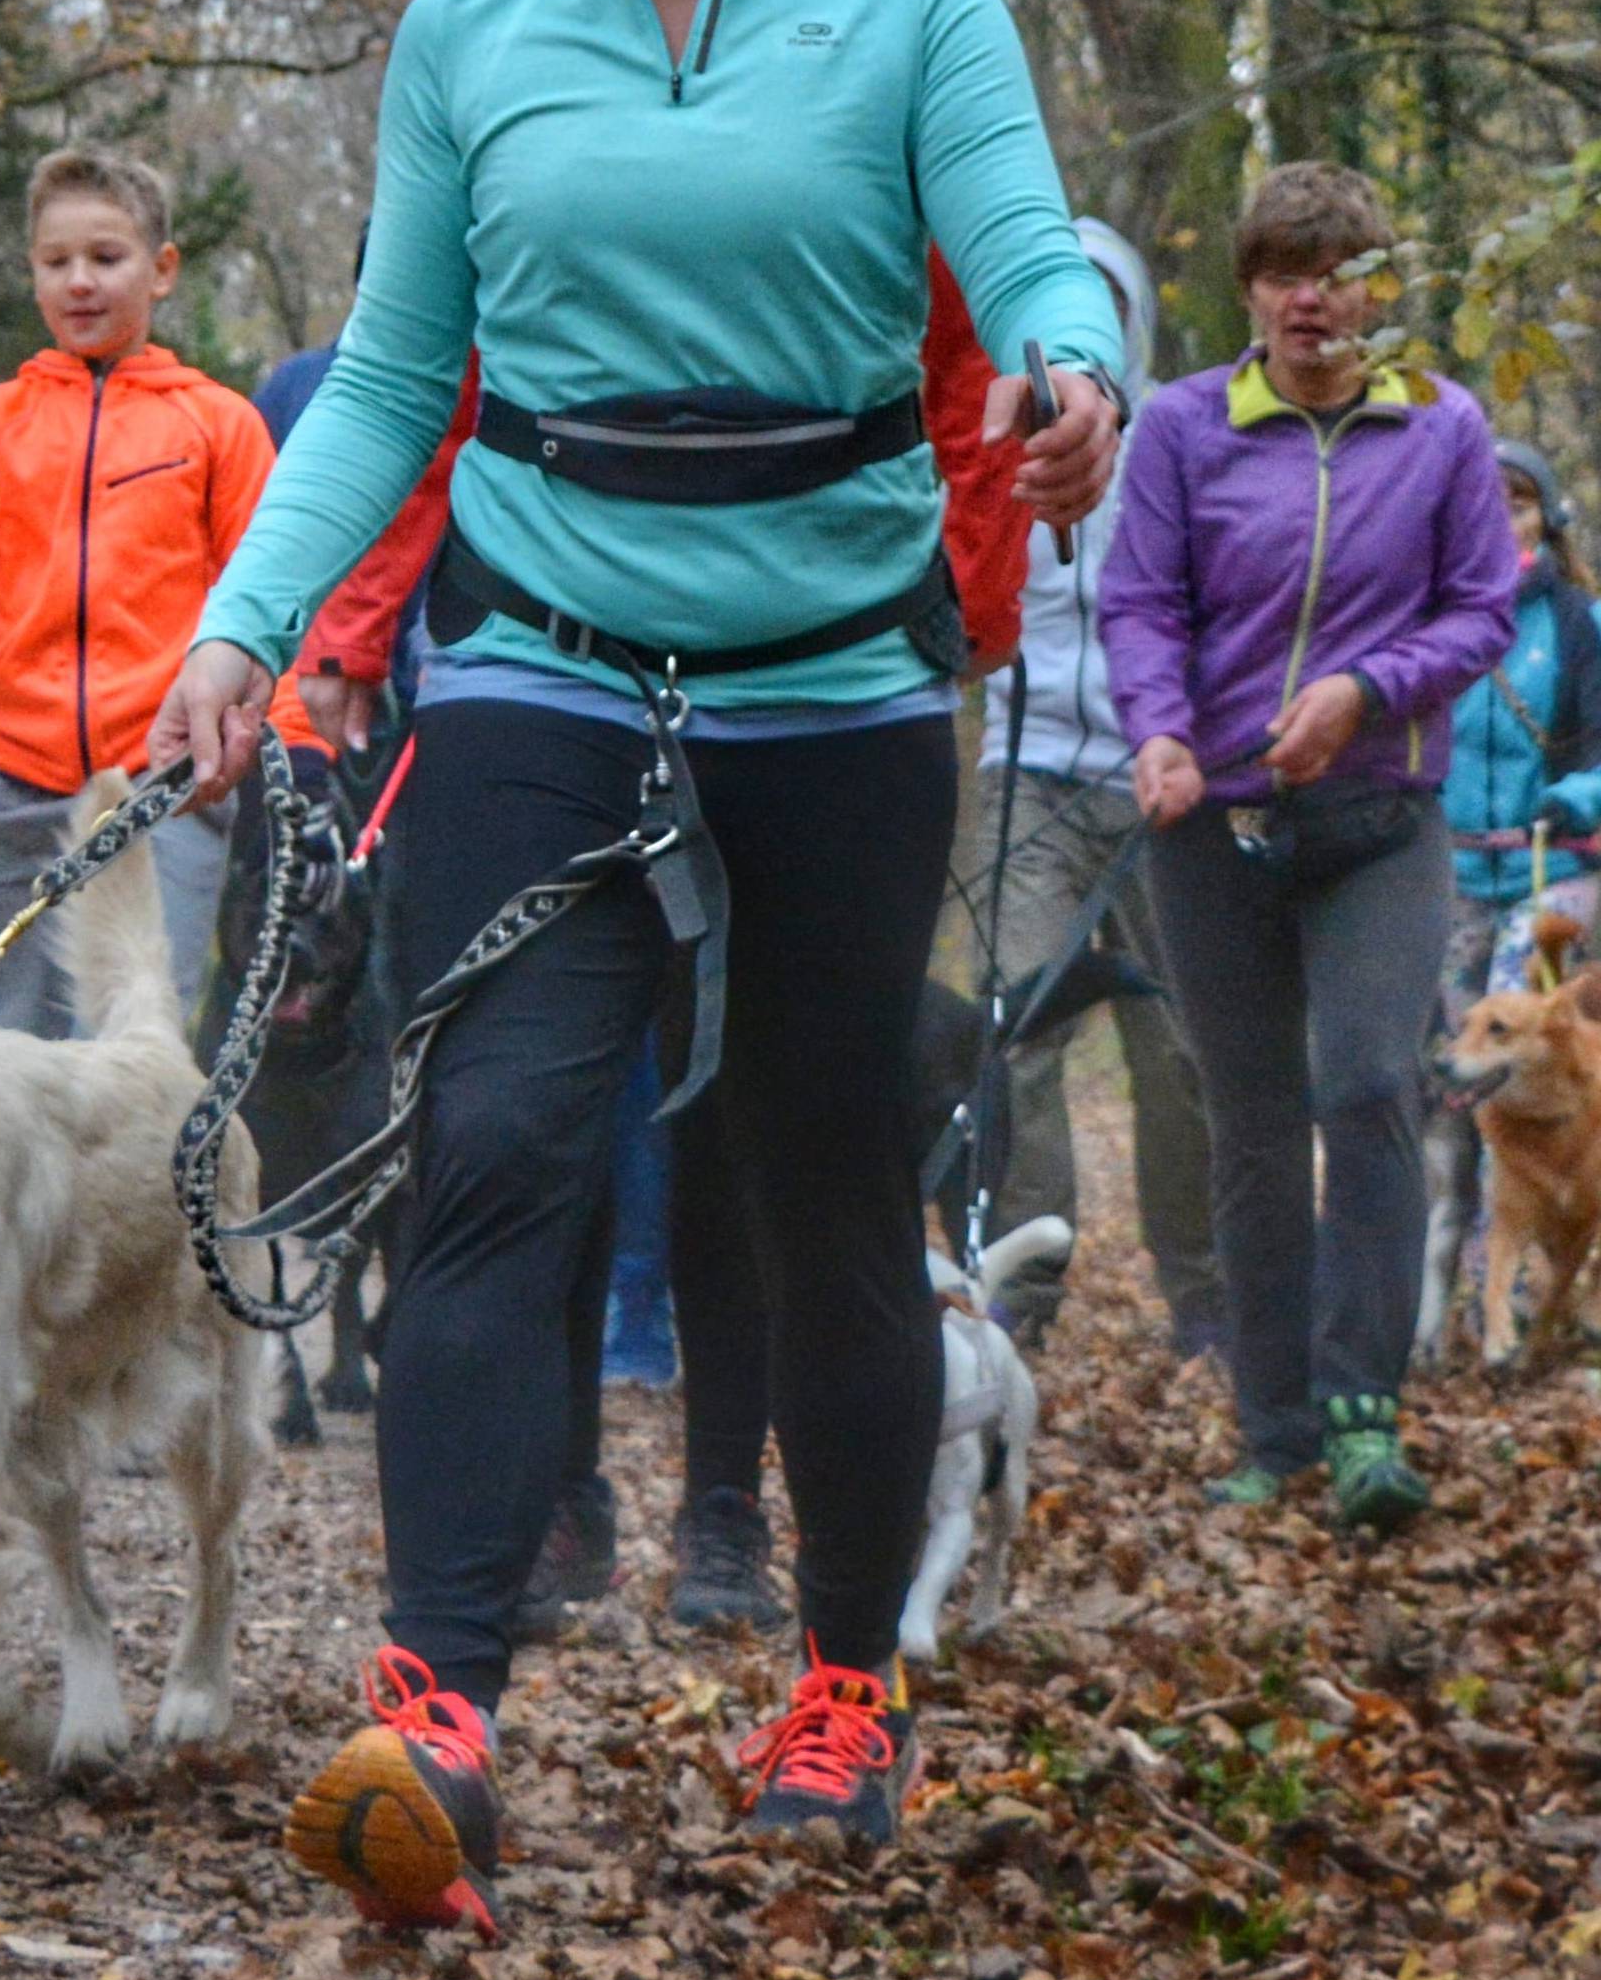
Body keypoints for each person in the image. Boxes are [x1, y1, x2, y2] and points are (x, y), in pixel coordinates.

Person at [152, 0, 1124, 1931]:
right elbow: (392, 377)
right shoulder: (476, 30)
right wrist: (247, 627)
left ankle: (840, 1690)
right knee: (489, 1136)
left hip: (829, 681)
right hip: (547, 660)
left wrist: (1056, 362)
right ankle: (438, 1717)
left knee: (814, 1188)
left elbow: (1011, 236)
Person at [297, 251, 1034, 1640]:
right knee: (518, 1129)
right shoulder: (519, 72)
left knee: (752, 1148)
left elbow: (963, 354)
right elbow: (429, 376)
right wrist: (347, 621)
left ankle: (728, 1514)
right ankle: (538, 1518)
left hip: (817, 696)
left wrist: (970, 599)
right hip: (543, 682)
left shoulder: (875, 69)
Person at [1099, 162, 1516, 1531]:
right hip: (1209, 820)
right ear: (1254, 289)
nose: (1311, 298)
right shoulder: (1182, 424)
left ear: (1374, 292)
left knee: (1364, 1082)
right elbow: (1143, 601)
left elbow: (1481, 614)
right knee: (1256, 1124)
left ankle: (1364, 1417)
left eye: (1336, 272)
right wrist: (1158, 731)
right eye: (1285, 270)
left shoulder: (1442, 429)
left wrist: (1364, 690)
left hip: (1380, 815)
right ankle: (1272, 1425)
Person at [0, 145, 286, 1033]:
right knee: (2, 1055)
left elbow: (270, 599)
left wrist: (293, 758)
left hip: (166, 785)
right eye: (56, 261)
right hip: (9, 786)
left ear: (160, 272)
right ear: (33, 273)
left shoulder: (220, 423)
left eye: (106, 258)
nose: (80, 281)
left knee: (135, 1049)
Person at [974, 219, 1222, 1355]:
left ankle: (1206, 1296)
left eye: (1103, 298)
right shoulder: (984, 429)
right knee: (1014, 1029)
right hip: (1027, 776)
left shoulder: (1185, 436)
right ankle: (1023, 1290)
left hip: (1166, 771)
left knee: (1181, 1045)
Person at [1422, 439, 1601, 1335]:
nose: (1503, 520)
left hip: (1551, 869)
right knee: (1458, 1082)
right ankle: (1455, 1283)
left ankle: (1552, 1275)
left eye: (1520, 503)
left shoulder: (1578, 623)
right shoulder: (1427, 614)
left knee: (1533, 1053)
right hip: (1446, 872)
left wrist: (1575, 798)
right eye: (1484, 503)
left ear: (1548, 517)